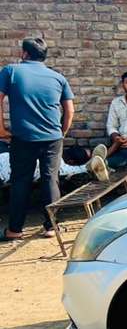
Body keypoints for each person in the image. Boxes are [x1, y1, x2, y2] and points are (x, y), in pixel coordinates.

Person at [0, 37, 75, 241]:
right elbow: (69, 110)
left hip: (23, 137)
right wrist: (62, 132)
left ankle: (15, 229)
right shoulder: (58, 77)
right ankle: (51, 227)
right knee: (51, 178)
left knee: (20, 181)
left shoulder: (11, 71)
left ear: (24, 53)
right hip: (53, 136)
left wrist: (2, 129)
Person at [0, 143, 108, 186]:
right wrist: (89, 166)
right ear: (71, 163)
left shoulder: (47, 151)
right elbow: (83, 168)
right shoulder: (58, 167)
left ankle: (94, 161)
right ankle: (94, 162)